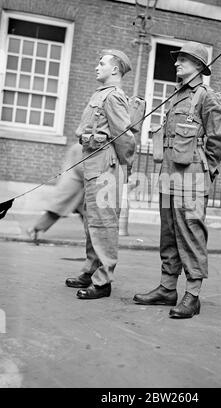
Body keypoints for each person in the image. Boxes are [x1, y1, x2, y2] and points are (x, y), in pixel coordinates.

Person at [133, 42, 221, 318]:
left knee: (190, 231)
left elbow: (218, 141)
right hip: (169, 172)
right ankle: (166, 288)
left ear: (198, 66)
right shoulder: (175, 96)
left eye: (184, 60)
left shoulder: (208, 98)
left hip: (192, 174)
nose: (177, 63)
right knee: (169, 233)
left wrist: (204, 169)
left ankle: (193, 294)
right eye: (178, 59)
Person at [65, 49, 135, 300]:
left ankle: (103, 281)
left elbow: (125, 137)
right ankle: (90, 269)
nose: (97, 66)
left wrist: (123, 167)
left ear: (114, 70)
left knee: (103, 223)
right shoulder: (101, 94)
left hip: (106, 167)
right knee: (91, 221)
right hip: (93, 165)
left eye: (102, 63)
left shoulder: (114, 97)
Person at [27, 143, 84, 241]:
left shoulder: (78, 146)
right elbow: (80, 167)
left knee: (86, 213)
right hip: (73, 186)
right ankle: (34, 229)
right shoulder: (80, 147)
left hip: (75, 186)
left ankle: (96, 237)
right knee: (56, 211)